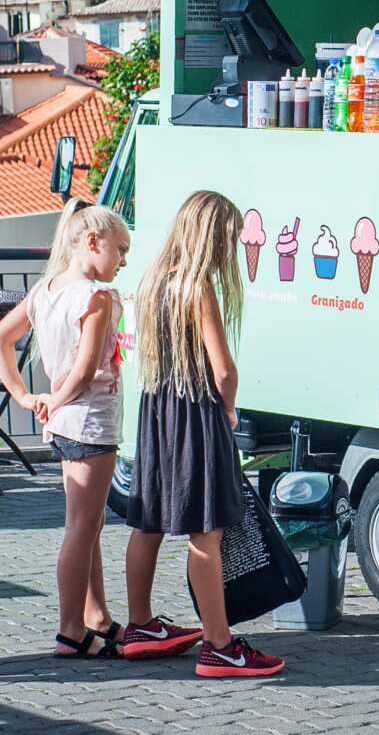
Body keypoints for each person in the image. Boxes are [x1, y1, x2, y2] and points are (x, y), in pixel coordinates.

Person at [122, 190, 286, 678]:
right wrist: (230, 407)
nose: (229, 249)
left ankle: (139, 626)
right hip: (196, 415)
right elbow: (223, 371)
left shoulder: (153, 281)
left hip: (156, 413)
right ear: (210, 237)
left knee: (147, 521)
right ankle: (219, 645)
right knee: (205, 530)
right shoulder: (197, 288)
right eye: (228, 238)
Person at [0, 198, 134, 660]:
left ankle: (96, 616)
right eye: (120, 248)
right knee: (82, 527)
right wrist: (55, 399)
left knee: (85, 526)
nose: (124, 259)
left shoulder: (45, 290)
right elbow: (87, 371)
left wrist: (27, 397)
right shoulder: (97, 296)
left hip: (63, 425)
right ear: (92, 242)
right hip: (88, 421)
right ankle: (71, 629)